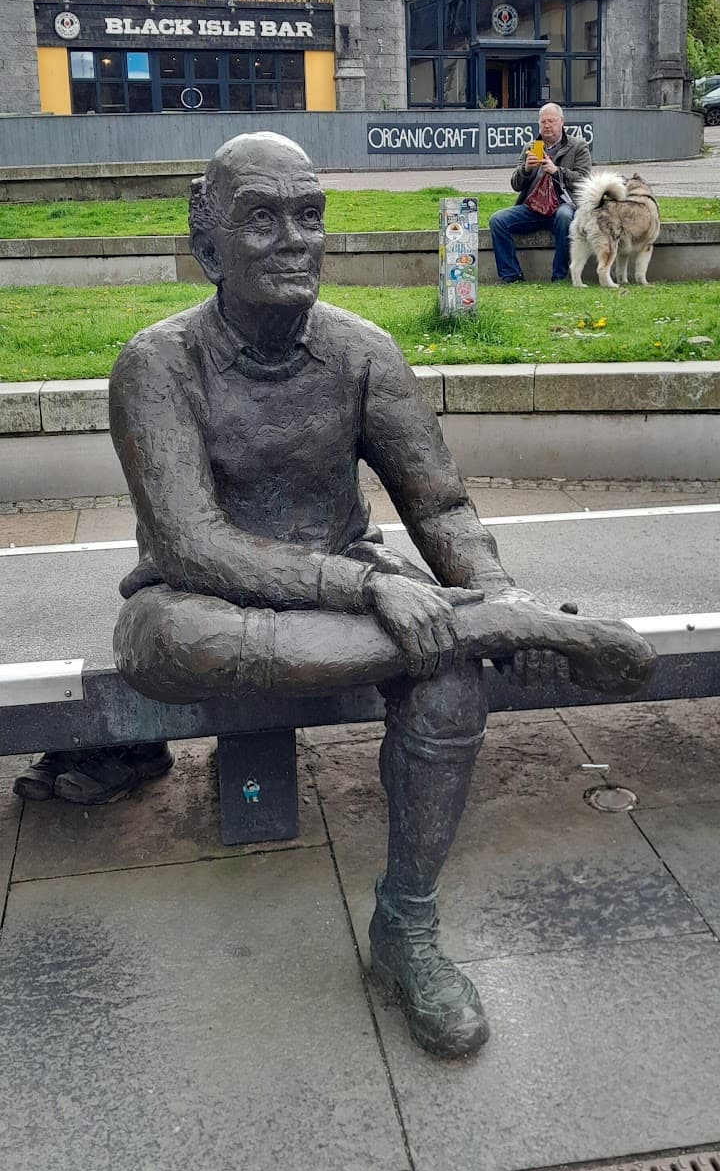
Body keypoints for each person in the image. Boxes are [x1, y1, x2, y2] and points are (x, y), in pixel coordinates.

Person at [15, 133, 652, 1059]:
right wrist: (396, 593)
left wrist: (489, 583)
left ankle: (406, 928)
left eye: (309, 216)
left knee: (448, 680)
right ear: (207, 244)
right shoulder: (155, 365)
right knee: (174, 640)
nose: (294, 240)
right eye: (261, 219)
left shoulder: (363, 353)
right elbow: (193, 543)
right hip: (200, 602)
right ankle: (478, 628)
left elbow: (440, 505)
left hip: (351, 600)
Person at [489, 103, 592, 283]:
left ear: (562, 122)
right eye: (543, 122)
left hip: (562, 205)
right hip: (533, 207)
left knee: (564, 216)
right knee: (497, 220)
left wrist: (557, 171)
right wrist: (526, 169)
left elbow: (584, 180)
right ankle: (511, 275)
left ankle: (559, 276)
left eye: (551, 121)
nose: (547, 126)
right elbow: (515, 184)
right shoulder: (531, 147)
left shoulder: (578, 146)